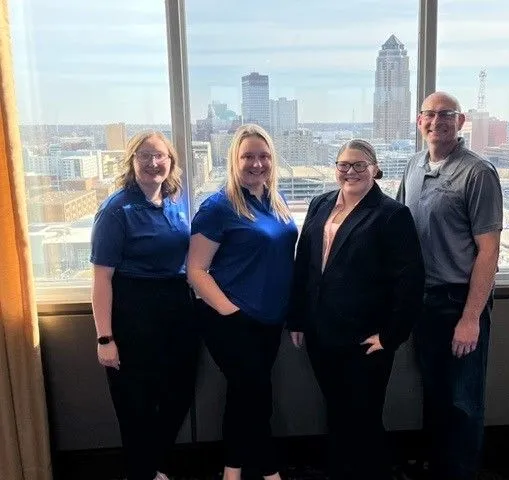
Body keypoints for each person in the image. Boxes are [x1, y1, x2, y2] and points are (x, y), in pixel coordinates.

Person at [288, 139, 425, 480]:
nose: (350, 171)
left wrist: (391, 336)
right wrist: (298, 318)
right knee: (336, 412)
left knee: (363, 417)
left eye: (359, 165)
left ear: (375, 170)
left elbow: (410, 281)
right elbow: (304, 263)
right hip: (321, 334)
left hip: (366, 339)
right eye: (344, 165)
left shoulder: (392, 214)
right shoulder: (320, 205)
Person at [397, 91, 503, 480]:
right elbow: (399, 231)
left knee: (463, 402)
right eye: (430, 114)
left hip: (459, 301)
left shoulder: (478, 173)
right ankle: (439, 469)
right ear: (419, 121)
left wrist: (471, 318)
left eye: (447, 114)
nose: (437, 120)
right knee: (436, 396)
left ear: (461, 122)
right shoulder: (413, 165)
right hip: (423, 304)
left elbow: (489, 251)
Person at [187, 124, 298, 480]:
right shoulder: (217, 207)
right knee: (256, 395)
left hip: (268, 321)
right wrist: (232, 314)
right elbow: (196, 270)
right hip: (230, 320)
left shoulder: (273, 199)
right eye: (248, 156)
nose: (257, 163)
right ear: (234, 159)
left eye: (264, 156)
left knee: (245, 395)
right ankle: (268, 471)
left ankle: (232, 470)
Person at [90, 131, 198, 480]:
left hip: (178, 310)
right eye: (144, 156)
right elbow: (102, 278)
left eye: (160, 156)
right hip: (134, 313)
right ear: (132, 162)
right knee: (136, 404)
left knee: (178, 394)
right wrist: (105, 338)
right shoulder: (116, 209)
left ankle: (148, 468)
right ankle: (142, 471)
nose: (153, 163)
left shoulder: (175, 201)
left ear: (171, 162)